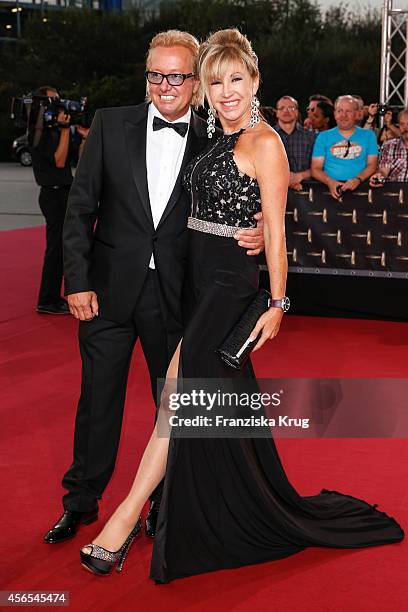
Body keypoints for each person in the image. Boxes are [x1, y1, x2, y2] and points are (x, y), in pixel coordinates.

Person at [79, 29, 404, 583]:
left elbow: (275, 232)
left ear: (255, 82)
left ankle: (123, 521)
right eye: (215, 81)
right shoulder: (210, 134)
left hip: (228, 287)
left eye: (236, 79)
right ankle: (231, 501)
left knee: (178, 397)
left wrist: (276, 303)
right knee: (192, 404)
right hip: (194, 282)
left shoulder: (265, 143)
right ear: (204, 88)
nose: (226, 91)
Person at [43, 31, 264, 546]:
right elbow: (79, 210)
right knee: (97, 402)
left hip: (179, 296)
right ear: (147, 77)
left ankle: (163, 502)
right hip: (106, 292)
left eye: (178, 75)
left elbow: (246, 200)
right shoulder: (109, 124)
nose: (166, 86)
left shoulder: (218, 141)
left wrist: (256, 229)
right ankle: (80, 502)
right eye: (156, 75)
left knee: (173, 407)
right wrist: (75, 280)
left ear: (197, 81)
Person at [30, 86, 88, 315]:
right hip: (53, 195)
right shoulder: (39, 132)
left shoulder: (53, 129)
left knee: (64, 247)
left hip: (63, 192)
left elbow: (75, 156)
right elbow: (60, 161)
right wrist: (65, 130)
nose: (59, 104)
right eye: (53, 101)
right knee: (56, 248)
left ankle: (54, 295)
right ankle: (47, 299)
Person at [311, 95, 378, 200]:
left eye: (348, 111)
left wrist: (357, 180)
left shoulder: (369, 135)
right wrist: (330, 182)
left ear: (356, 114)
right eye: (340, 111)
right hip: (329, 191)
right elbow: (315, 168)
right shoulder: (323, 137)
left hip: (361, 191)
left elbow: (372, 165)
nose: (343, 115)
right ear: (334, 114)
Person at [273, 95, 315, 190]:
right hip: (274, 192)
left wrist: (299, 176)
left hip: (307, 194)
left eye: (290, 108)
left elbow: (320, 168)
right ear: (277, 113)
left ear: (297, 112)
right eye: (282, 108)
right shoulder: (268, 137)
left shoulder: (311, 137)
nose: (286, 111)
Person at [370, 108, 408, 185]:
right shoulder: (389, 146)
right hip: (395, 193)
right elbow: (383, 170)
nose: (406, 128)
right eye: (402, 124)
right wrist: (380, 176)